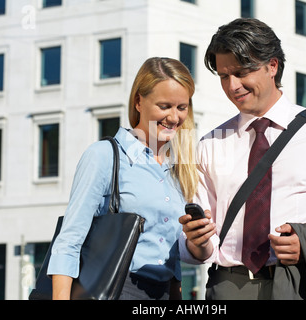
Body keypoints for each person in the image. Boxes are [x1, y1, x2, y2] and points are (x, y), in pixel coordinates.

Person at [178, 18, 306, 300]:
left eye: (240, 72)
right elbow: (204, 247)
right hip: (229, 287)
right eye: (224, 76)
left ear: (272, 66)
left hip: (305, 283)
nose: (232, 86)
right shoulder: (209, 144)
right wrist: (195, 243)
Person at [47, 57, 198, 300]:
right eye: (164, 106)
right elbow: (69, 241)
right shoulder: (104, 156)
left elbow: (173, 256)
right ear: (139, 101)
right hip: (118, 289)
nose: (174, 117)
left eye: (182, 107)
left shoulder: (177, 169)